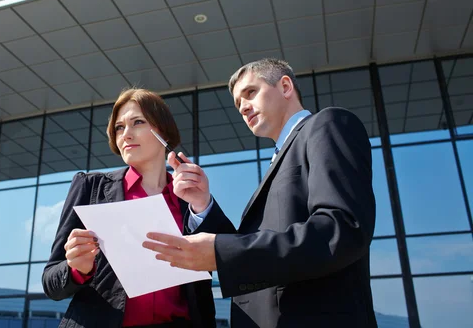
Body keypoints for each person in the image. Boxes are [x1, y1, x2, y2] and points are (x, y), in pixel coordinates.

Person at [143, 58, 377, 327]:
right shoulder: (278, 160)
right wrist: (201, 202)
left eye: (250, 92)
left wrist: (222, 251)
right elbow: (252, 243)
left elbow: (341, 230)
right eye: (237, 103)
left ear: (286, 86)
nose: (242, 107)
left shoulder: (326, 125)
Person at [42, 88, 216, 328]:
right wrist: (76, 269)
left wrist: (202, 203)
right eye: (119, 127)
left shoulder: (189, 196)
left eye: (137, 122)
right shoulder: (90, 187)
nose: (126, 134)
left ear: (162, 131)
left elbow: (227, 255)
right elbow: (51, 282)